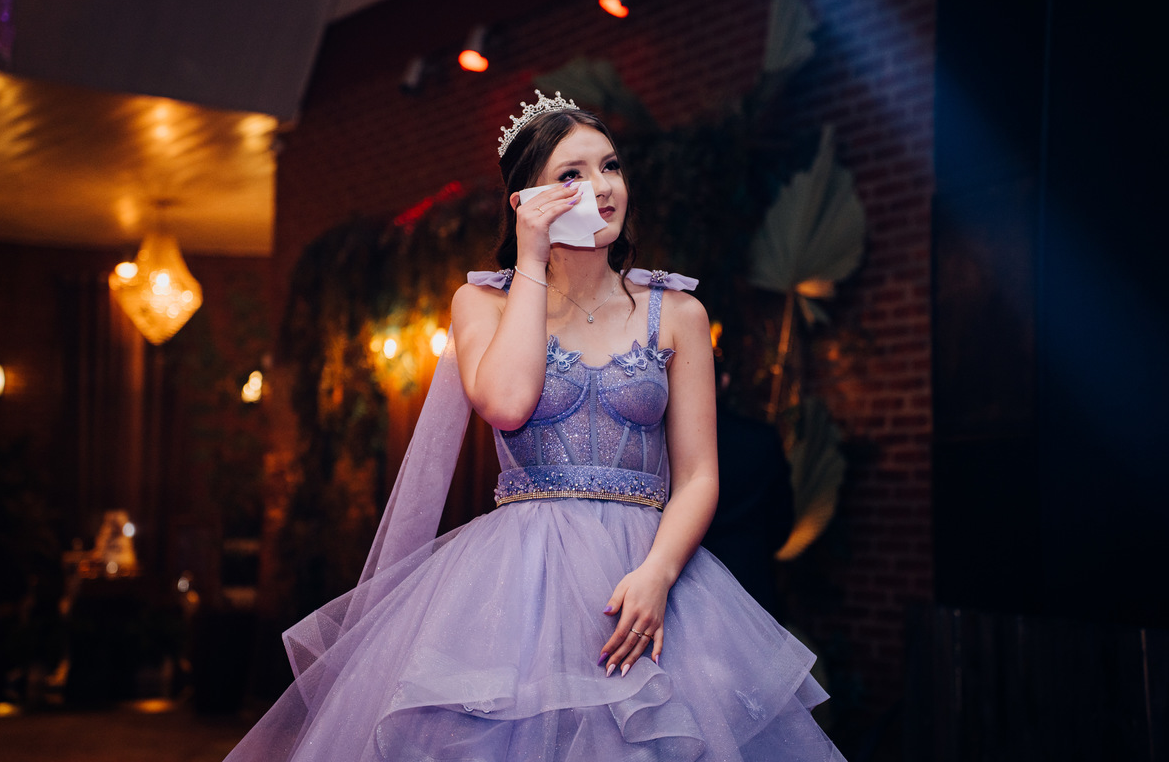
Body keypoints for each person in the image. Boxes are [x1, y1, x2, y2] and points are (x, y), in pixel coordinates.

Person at [224, 91, 845, 761]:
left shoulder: (678, 313)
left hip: (650, 570)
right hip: (519, 586)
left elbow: (697, 476)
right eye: (572, 174)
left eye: (610, 166)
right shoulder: (481, 303)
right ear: (526, 200)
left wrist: (659, 574)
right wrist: (531, 258)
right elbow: (508, 403)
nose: (602, 187)